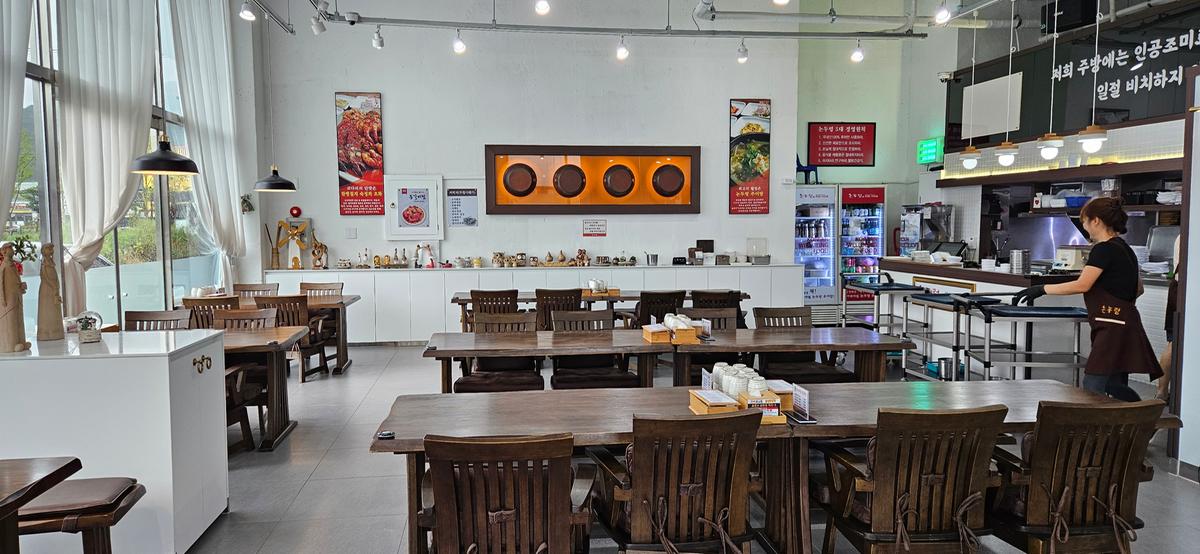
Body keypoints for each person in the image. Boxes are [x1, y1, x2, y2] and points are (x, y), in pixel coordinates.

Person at [1013, 197, 1161, 401]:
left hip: (1111, 327)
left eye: (1084, 221)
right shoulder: (1125, 249)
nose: (1084, 226)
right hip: (1126, 322)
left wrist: (1042, 288)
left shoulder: (1103, 249)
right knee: (1114, 384)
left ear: (1096, 220)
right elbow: (1139, 289)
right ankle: (1140, 418)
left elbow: (1082, 284)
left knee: (1092, 386)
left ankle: (1131, 418)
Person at [1157, 235, 1180, 401]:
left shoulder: (1182, 234)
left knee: (1173, 344)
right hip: (1183, 291)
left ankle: (1162, 392)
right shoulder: (1189, 232)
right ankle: (1162, 392)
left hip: (1178, 289)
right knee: (1174, 344)